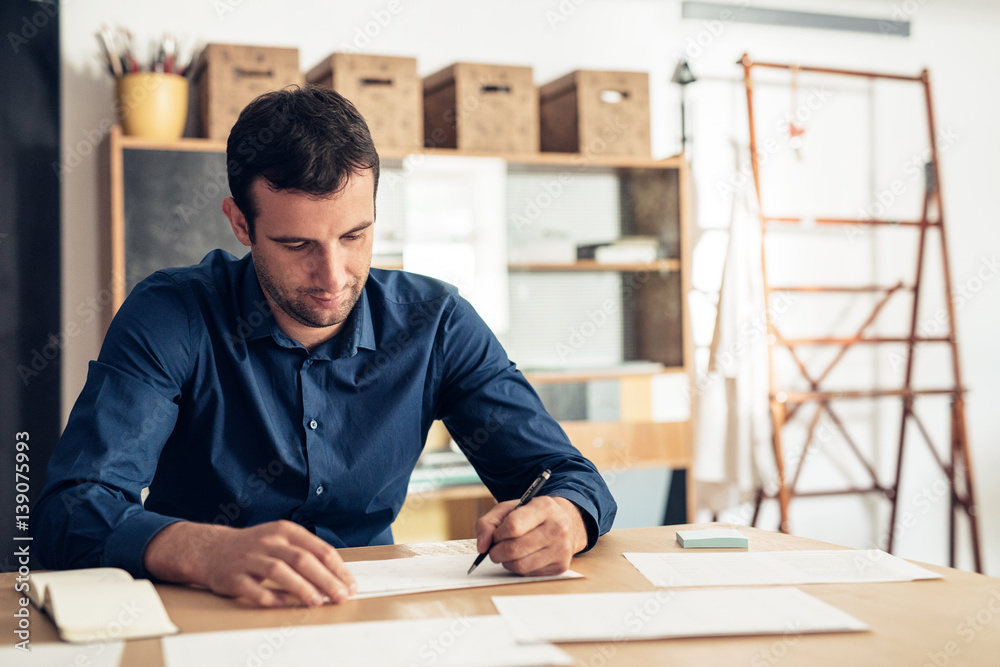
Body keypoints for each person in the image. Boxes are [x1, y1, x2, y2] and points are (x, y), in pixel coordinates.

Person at [36, 85, 616, 608]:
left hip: (370, 613)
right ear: (240, 225)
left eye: (354, 235)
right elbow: (69, 511)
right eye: (296, 244)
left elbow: (567, 475)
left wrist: (564, 516)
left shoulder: (436, 322)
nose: (333, 275)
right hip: (208, 613)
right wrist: (205, 550)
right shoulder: (171, 315)